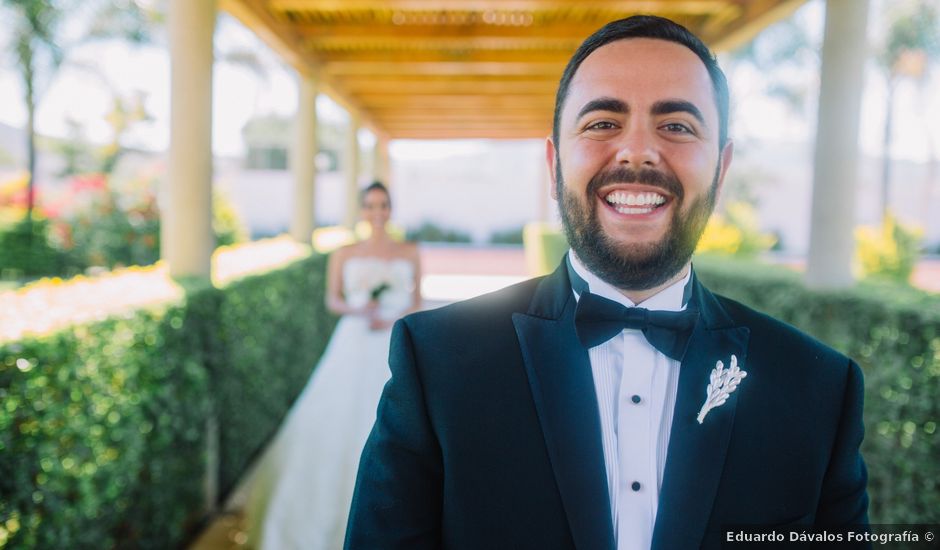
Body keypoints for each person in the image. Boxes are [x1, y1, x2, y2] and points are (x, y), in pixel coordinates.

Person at [345, 15, 869, 550]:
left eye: (677, 126)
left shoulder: (818, 390)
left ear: (721, 166)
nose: (637, 151)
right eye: (601, 123)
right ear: (553, 165)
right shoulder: (437, 364)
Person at [251, 181, 421, 550]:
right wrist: (361, 310)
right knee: (338, 416)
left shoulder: (409, 251)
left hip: (391, 337)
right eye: (370, 206)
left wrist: (392, 316)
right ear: (362, 210)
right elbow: (333, 301)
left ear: (391, 209)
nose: (377, 213)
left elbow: (417, 301)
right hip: (355, 337)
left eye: (383, 205)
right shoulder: (344, 253)